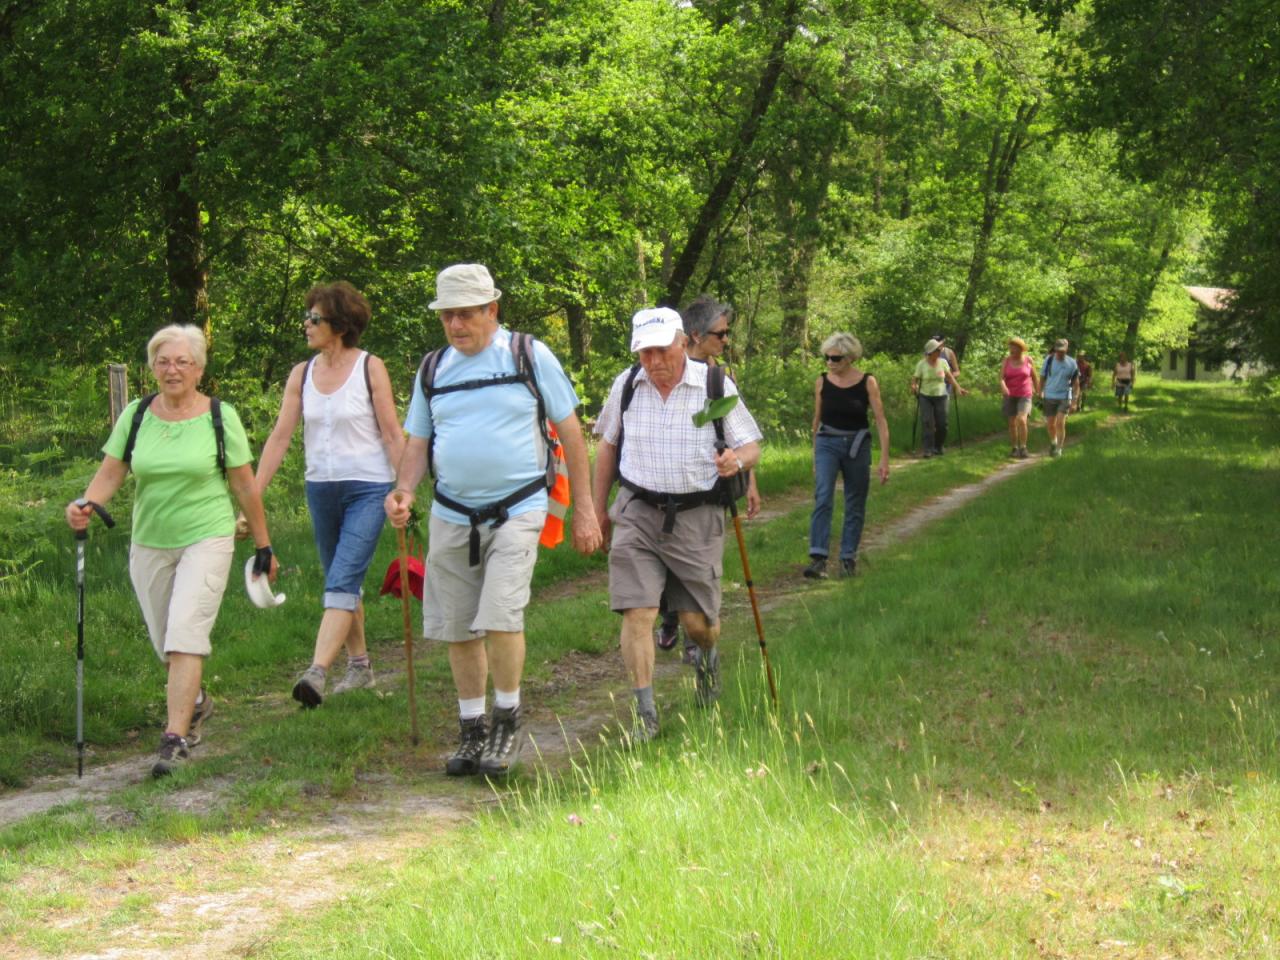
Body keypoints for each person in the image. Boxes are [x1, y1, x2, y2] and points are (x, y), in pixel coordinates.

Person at [385, 264, 602, 778]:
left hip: (519, 506)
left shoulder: (528, 355)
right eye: (447, 316)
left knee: (501, 614)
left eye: (465, 314)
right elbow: (419, 442)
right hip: (451, 510)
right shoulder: (433, 369)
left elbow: (572, 434)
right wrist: (403, 490)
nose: (455, 325)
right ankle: (471, 728)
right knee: (458, 624)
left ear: (492, 310)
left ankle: (507, 719)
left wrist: (586, 510)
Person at [65, 325, 278, 778]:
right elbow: (112, 471)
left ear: (199, 368)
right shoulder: (137, 415)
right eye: (163, 361)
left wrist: (263, 543)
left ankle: (175, 739)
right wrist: (87, 503)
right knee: (166, 640)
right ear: (152, 368)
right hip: (149, 541)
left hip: (208, 536)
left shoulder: (221, 417)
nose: (172, 369)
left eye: (182, 361)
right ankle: (197, 701)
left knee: (186, 633)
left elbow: (243, 483)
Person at [592, 307, 763, 741]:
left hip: (696, 516)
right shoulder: (627, 385)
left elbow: (751, 445)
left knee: (698, 625)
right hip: (637, 511)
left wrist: (735, 460)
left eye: (660, 350)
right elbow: (607, 448)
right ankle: (645, 715)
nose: (653, 361)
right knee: (638, 613)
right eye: (644, 352)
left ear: (683, 342)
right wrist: (597, 512)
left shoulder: (714, 384)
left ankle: (707, 659)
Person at [253, 282, 405, 707]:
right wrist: (255, 494)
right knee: (343, 580)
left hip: (369, 486)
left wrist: (404, 489)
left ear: (339, 324)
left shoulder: (370, 367)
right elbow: (281, 436)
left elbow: (392, 432)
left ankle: (316, 672)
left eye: (314, 318)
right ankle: (359, 667)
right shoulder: (302, 374)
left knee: (342, 577)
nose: (306, 324)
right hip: (320, 487)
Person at [654, 295, 762, 665]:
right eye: (721, 334)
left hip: (706, 491)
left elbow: (739, 439)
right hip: (658, 492)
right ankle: (670, 614)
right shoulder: (659, 375)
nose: (726, 341)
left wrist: (750, 481)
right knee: (659, 560)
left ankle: (691, 635)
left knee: (696, 566)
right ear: (696, 335)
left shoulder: (720, 380)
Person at [803, 333, 890, 580]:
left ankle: (847, 558)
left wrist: (884, 459)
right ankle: (818, 558)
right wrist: (814, 457)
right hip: (827, 442)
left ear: (850, 358)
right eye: (827, 357)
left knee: (855, 501)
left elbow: (881, 421)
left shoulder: (867, 382)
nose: (830, 362)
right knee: (823, 497)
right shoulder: (822, 382)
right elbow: (816, 420)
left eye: (836, 358)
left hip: (857, 444)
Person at [910, 338, 967, 457]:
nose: (940, 351)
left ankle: (939, 446)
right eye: (937, 350)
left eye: (940, 349)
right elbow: (915, 379)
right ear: (931, 352)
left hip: (942, 396)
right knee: (927, 422)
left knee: (942, 424)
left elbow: (950, 377)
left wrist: (958, 388)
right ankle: (928, 449)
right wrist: (914, 386)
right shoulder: (921, 364)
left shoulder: (943, 363)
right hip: (925, 396)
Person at [1039, 338, 1080, 457]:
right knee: (1050, 424)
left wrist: (1074, 401)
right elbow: (1042, 377)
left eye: (1062, 351)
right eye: (1058, 350)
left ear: (1066, 349)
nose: (1060, 353)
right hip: (1049, 395)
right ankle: (1054, 441)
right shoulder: (1049, 359)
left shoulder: (1072, 363)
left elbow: (1076, 384)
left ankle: (1059, 449)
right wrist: (1040, 391)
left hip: (1064, 396)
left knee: (1060, 423)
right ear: (1055, 349)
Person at [1000, 337, 1039, 459]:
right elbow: (1001, 378)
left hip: (1025, 394)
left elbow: (1035, 377)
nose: (1012, 350)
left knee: (1022, 419)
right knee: (1012, 423)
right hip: (1010, 394)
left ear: (1021, 349)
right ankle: (1014, 448)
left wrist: (1039, 391)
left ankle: (1023, 447)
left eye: (1014, 347)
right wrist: (1004, 387)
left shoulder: (1028, 360)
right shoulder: (1006, 360)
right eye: (1011, 347)